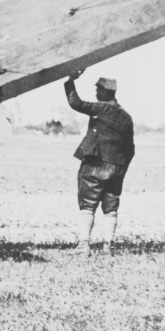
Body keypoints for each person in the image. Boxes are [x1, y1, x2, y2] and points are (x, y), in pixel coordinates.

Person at [64, 72, 135, 255]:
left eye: (98, 90)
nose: (96, 93)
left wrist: (70, 81)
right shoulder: (126, 116)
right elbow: (130, 149)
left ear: (105, 92)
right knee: (111, 207)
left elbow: (75, 103)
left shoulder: (102, 109)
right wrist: (121, 168)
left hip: (96, 164)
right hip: (117, 167)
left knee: (88, 204)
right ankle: (107, 246)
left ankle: (83, 244)